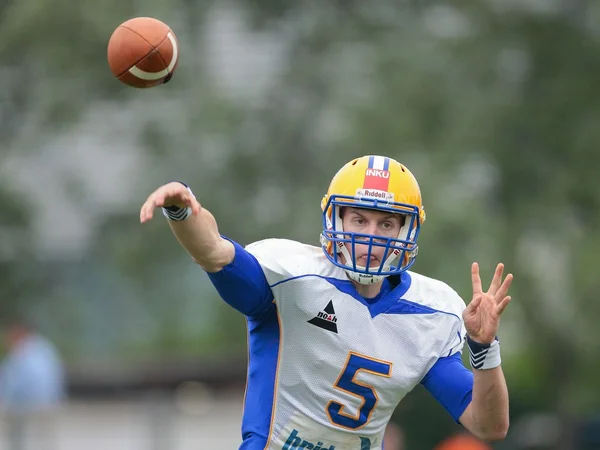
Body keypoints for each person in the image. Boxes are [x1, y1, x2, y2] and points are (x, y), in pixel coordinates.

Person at [140, 155, 512, 450]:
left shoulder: (433, 310)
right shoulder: (292, 276)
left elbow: (488, 425)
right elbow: (215, 252)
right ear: (336, 219)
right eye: (360, 220)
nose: (371, 236)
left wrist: (484, 349)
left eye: (386, 224)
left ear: (407, 230)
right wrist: (182, 211)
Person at [0, 319, 66, 450]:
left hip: (28, 404)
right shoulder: (46, 348)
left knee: (17, 436)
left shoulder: (20, 351)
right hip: (50, 403)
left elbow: (13, 383)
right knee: (43, 440)